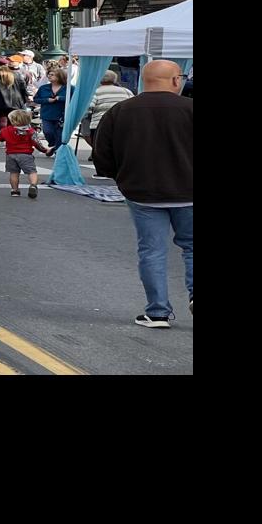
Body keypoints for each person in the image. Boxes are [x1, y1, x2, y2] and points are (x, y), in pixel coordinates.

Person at [91, 60, 193, 329]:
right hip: (189, 190)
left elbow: (103, 155)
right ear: (174, 80)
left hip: (142, 192)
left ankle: (157, 311)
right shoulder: (190, 108)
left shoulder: (120, 111)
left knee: (152, 251)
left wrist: (123, 178)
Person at [0, 109, 52, 199]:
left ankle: (15, 190)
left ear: (12, 120)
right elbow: (37, 143)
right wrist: (45, 151)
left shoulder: (5, 130)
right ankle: (33, 185)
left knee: (14, 173)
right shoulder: (31, 131)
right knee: (32, 172)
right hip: (26, 155)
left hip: (11, 155)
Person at [85, 69, 135, 163]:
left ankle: (102, 172)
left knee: (100, 148)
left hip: (99, 124)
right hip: (122, 123)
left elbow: (89, 108)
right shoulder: (126, 91)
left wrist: (85, 116)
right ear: (115, 79)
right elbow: (133, 104)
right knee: (119, 146)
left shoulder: (96, 92)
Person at [30, 66, 68, 145]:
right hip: (47, 115)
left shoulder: (69, 88)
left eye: (52, 75)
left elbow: (73, 99)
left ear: (60, 76)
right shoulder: (43, 88)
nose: (49, 76)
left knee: (60, 135)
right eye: (49, 74)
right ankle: (53, 145)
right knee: (47, 132)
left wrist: (60, 98)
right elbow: (36, 99)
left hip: (62, 115)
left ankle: (57, 150)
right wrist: (47, 100)